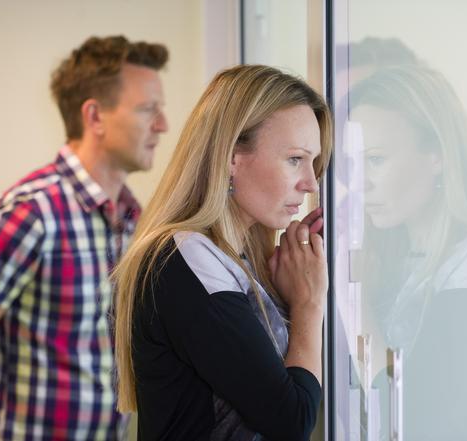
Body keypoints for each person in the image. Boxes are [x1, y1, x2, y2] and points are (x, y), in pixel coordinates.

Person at [0, 35, 169, 440]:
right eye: (147, 110)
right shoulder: (29, 214)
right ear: (95, 116)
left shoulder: (133, 219)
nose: (163, 125)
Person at [112, 64, 332, 440]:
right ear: (232, 156)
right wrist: (308, 303)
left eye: (313, 163)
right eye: (295, 159)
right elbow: (290, 420)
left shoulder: (228, 259)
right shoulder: (185, 259)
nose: (310, 182)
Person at [346, 57, 467, 439]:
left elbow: (416, 417)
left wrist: (359, 310)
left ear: (436, 155)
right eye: (352, 164)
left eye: (376, 160)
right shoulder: (391, 261)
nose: (360, 183)